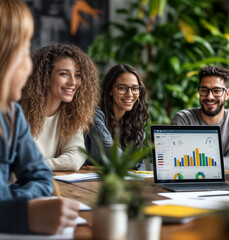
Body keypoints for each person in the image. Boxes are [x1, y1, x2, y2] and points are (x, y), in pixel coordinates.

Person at [0, 0, 79, 234]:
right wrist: (17, 213)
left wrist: (11, 206)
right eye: (24, 51)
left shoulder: (11, 116)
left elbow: (42, 177)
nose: (29, 67)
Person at [20, 44, 99, 171]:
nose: (73, 82)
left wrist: (38, 166)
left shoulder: (71, 114)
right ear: (45, 78)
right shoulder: (18, 112)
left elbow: (76, 156)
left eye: (78, 75)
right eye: (64, 74)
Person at [172, 65, 229, 157]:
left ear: (227, 94)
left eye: (216, 91)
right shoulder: (184, 120)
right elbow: (175, 160)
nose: (210, 97)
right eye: (204, 90)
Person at [84, 64, 149, 163]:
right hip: (91, 176)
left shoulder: (135, 120)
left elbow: (139, 164)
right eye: (122, 88)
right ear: (110, 90)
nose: (130, 94)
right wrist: (133, 163)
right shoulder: (95, 115)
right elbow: (109, 150)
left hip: (121, 177)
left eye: (135, 88)